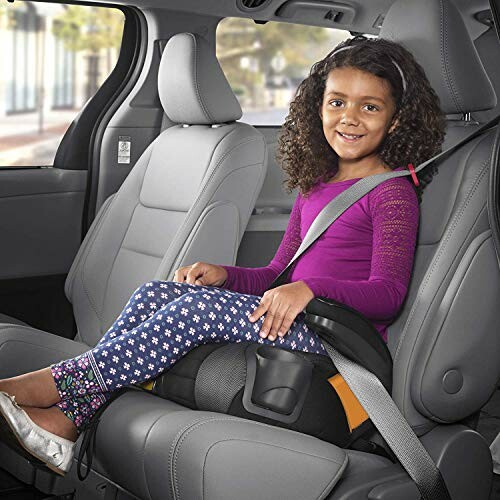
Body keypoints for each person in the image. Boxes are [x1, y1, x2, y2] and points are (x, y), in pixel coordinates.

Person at [0, 35, 445, 475]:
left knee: (193, 310)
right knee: (157, 292)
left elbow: (387, 294)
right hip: (292, 319)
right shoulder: (317, 186)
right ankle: (66, 419)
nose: (349, 118)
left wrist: (309, 290)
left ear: (397, 119)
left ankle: (55, 385)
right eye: (337, 103)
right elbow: (276, 274)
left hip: (337, 339)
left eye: (370, 107)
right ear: (318, 107)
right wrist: (225, 276)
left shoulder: (391, 192)